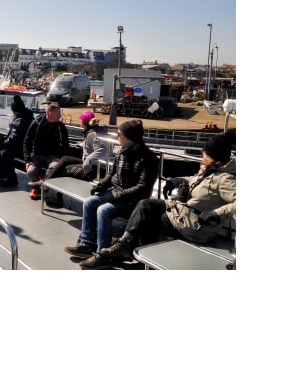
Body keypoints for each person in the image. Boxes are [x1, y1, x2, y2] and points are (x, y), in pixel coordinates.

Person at [95, 133, 236, 267]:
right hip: (185, 217)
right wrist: (176, 180)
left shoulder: (224, 180)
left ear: (214, 156)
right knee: (145, 205)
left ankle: (132, 253)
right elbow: (195, 180)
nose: (202, 152)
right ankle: (126, 246)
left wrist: (216, 214)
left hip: (196, 227)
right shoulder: (209, 170)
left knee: (148, 218)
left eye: (205, 151)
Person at [64, 119, 158, 268]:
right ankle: (86, 243)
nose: (116, 136)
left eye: (119, 134)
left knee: (104, 210)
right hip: (116, 193)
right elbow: (113, 174)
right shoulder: (122, 151)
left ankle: (103, 254)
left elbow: (142, 188)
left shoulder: (148, 158)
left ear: (130, 137)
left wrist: (115, 196)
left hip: (132, 201)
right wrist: (102, 185)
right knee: (90, 202)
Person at [43, 110, 108, 208]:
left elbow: (103, 150)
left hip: (93, 170)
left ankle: (55, 196)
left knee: (65, 169)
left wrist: (88, 160)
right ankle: (46, 184)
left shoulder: (92, 134)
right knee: (65, 159)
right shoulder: (96, 131)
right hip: (95, 166)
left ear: (83, 122)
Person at [22, 102, 70, 200]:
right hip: (37, 155)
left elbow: (65, 145)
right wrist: (27, 159)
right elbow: (27, 141)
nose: (60, 116)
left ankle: (41, 185)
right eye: (58, 114)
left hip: (53, 156)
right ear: (50, 114)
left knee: (54, 168)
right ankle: (39, 187)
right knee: (31, 171)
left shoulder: (60, 127)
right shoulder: (36, 123)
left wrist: (58, 157)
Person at [0, 95, 34, 187]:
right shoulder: (24, 116)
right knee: (0, 150)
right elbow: (11, 135)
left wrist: (3, 144)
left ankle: (11, 179)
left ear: (15, 110)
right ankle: (1, 174)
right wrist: (3, 141)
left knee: (5, 153)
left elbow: (14, 137)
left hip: (23, 147)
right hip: (19, 144)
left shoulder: (21, 120)